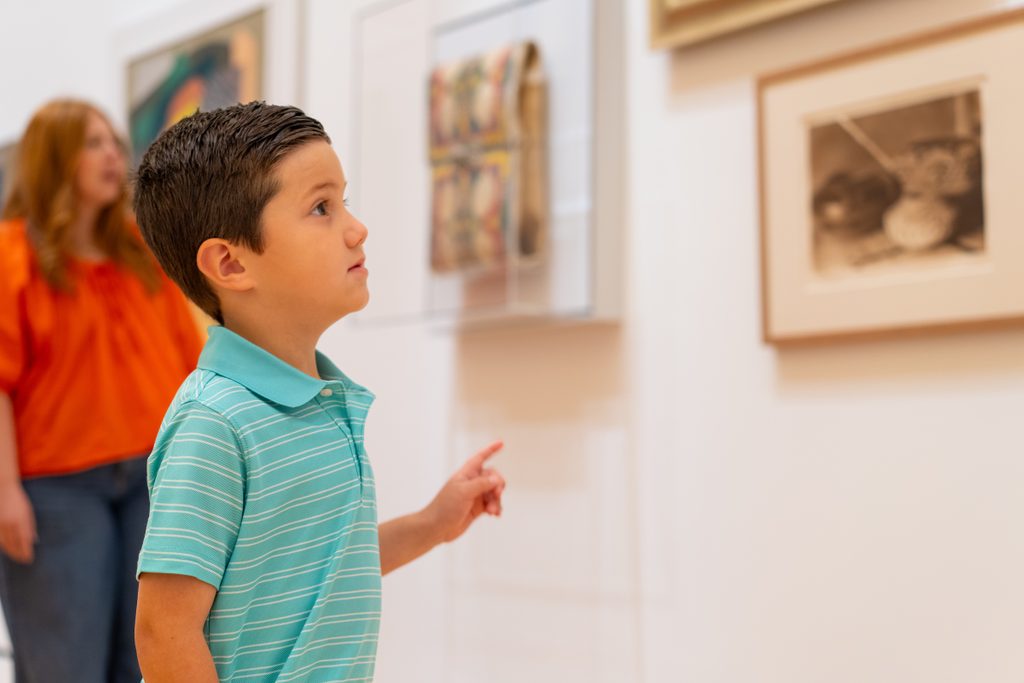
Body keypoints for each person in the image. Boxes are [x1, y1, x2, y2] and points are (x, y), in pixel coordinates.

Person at [132, 101, 507, 681]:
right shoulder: (215, 422)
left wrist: (433, 522)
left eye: (344, 201)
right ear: (230, 264)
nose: (356, 228)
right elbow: (164, 630)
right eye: (321, 208)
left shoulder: (323, 403)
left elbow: (327, 571)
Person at [0, 99, 203, 682]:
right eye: (94, 143)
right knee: (65, 665)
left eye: (114, 142)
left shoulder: (141, 251)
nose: (114, 155)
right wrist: (6, 491)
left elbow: (187, 362)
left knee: (145, 660)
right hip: (57, 492)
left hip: (149, 480)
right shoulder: (14, 256)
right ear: (53, 158)